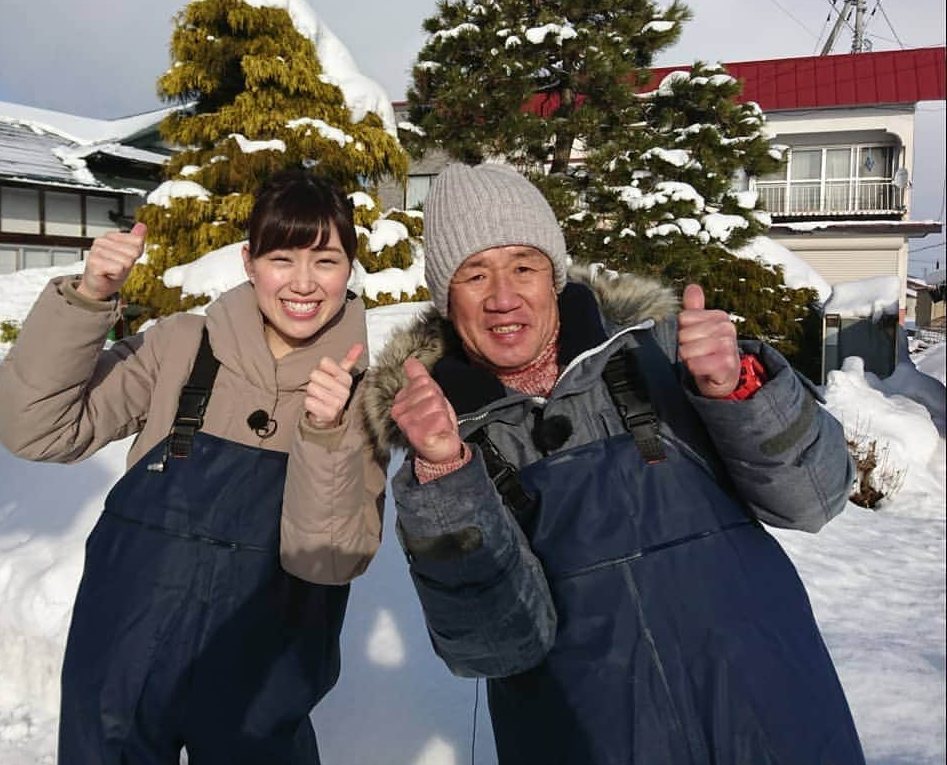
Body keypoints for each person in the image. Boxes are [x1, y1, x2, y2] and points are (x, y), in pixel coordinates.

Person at [363, 162, 865, 764]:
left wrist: (738, 391)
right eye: (474, 275)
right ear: (447, 299)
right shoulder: (446, 437)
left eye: (523, 266)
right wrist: (446, 475)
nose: (503, 297)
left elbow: (815, 498)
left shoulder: (662, 357)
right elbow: (492, 647)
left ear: (555, 276)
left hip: (772, 721)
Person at [0, 169, 384, 764]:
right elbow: (37, 429)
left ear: (349, 269)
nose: (303, 283)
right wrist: (89, 298)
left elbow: (331, 560)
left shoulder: (363, 400)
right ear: (250, 262)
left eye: (325, 260)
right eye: (282, 257)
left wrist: (324, 435)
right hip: (122, 664)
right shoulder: (179, 348)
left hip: (262, 686)